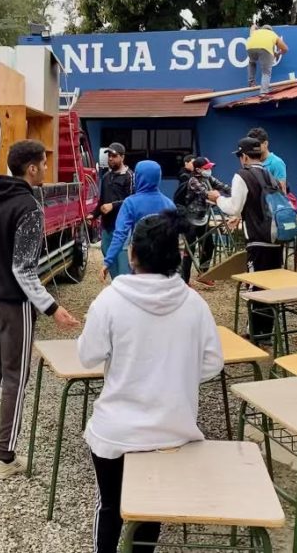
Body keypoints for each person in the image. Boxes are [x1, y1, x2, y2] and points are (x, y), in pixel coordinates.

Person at [78, 209, 224, 553]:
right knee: (149, 511)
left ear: (132, 254)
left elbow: (87, 356)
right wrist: (177, 375)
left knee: (110, 506)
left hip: (116, 434)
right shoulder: (194, 304)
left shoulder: (110, 301)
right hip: (172, 431)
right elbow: (212, 364)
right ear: (176, 257)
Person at [0, 140, 80, 478]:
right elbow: (23, 268)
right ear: (31, 168)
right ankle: (5, 458)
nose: (46, 168)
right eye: (43, 163)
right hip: (12, 305)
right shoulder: (29, 207)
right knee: (16, 376)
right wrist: (52, 307)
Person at [210, 137, 283, 342]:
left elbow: (234, 206)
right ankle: (265, 331)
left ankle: (257, 334)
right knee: (270, 286)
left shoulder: (242, 175)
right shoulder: (270, 174)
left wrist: (217, 198)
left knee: (255, 286)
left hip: (257, 239)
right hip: (276, 239)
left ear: (243, 157)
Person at [100, 159, 175, 282]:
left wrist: (108, 261)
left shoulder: (130, 203)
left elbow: (120, 234)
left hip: (140, 258)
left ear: (139, 177)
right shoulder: (169, 204)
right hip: (163, 257)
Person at [178, 157, 231, 285]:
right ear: (198, 169)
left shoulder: (208, 178)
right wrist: (218, 196)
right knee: (190, 250)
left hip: (202, 218)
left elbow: (222, 186)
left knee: (209, 245)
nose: (209, 170)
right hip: (190, 220)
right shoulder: (193, 181)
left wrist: (236, 193)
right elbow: (206, 194)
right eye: (206, 168)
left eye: (210, 168)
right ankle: (184, 281)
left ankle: (204, 273)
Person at [89, 142, 135, 279]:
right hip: (107, 227)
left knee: (122, 262)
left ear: (122, 157)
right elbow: (102, 201)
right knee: (107, 255)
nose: (110, 158)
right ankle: (116, 285)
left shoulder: (129, 176)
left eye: (114, 156)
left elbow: (132, 201)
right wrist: (93, 214)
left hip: (122, 227)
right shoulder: (106, 177)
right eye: (109, 155)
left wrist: (113, 206)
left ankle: (126, 288)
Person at [246, 24, 288, 95]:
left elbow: (253, 26)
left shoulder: (255, 32)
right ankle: (264, 93)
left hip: (250, 47)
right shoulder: (273, 34)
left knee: (252, 62)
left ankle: (251, 82)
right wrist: (277, 54)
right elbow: (285, 49)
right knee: (266, 72)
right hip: (265, 48)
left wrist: (256, 26)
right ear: (271, 30)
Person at [247, 127, 287, 192]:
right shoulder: (250, 161)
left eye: (257, 145)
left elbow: (282, 192)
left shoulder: (277, 163)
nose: (254, 148)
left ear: (265, 143)